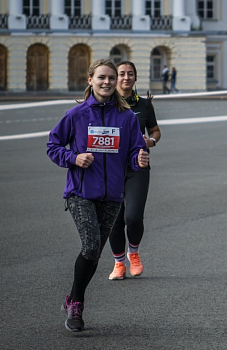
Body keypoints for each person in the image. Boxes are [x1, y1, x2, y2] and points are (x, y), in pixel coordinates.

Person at [47, 58, 149, 332]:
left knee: (93, 253)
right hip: (80, 192)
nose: (107, 82)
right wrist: (73, 157)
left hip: (112, 196)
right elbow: (53, 144)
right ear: (90, 80)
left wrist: (138, 159)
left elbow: (133, 153)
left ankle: (72, 298)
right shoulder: (76, 115)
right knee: (92, 246)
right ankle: (77, 303)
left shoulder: (127, 117)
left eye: (111, 78)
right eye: (101, 77)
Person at [107, 61, 162, 280]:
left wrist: (151, 142)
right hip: (110, 168)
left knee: (134, 217)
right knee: (114, 219)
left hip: (138, 165)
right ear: (115, 77)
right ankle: (119, 263)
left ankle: (134, 253)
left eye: (130, 74)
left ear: (135, 78)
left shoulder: (143, 105)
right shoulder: (106, 103)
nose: (126, 78)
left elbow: (155, 131)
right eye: (121, 74)